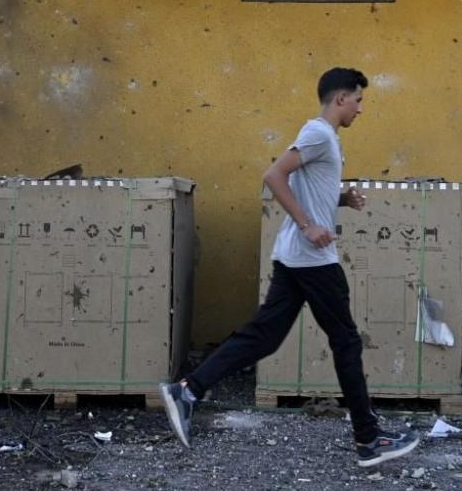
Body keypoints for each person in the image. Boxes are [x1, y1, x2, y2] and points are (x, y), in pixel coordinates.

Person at [157, 67, 420, 467]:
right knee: (346, 341)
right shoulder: (318, 133)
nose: (361, 110)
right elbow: (274, 176)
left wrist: (342, 200)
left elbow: (307, 187)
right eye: (358, 100)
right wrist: (308, 224)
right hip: (313, 258)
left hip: (296, 257)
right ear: (340, 100)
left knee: (265, 336)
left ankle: (188, 390)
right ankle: (368, 440)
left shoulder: (324, 138)